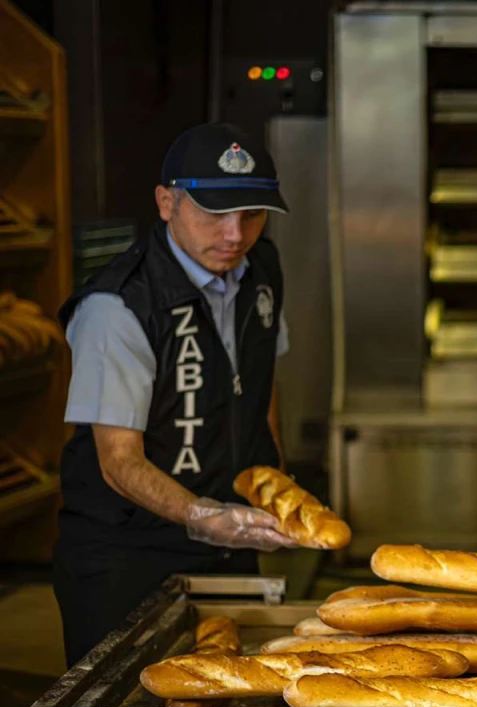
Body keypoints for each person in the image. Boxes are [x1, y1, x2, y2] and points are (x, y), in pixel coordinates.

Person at [55, 123, 298, 666]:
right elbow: (118, 461)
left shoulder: (262, 270)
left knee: (232, 706)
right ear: (167, 203)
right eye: (214, 213)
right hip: (126, 551)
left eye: (252, 215)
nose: (235, 235)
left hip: (232, 537)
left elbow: (260, 380)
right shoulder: (116, 307)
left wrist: (271, 477)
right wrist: (199, 515)